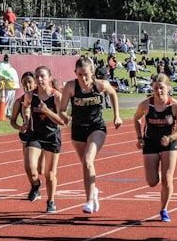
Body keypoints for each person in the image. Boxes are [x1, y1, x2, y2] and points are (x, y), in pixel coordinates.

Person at [58, 57, 122, 214]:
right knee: (86, 165)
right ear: (75, 73)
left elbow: (113, 94)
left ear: (92, 73)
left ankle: (89, 201)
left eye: (86, 74)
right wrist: (64, 116)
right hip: (78, 129)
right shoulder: (71, 87)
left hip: (97, 127)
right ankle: (94, 191)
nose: (83, 78)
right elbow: (61, 109)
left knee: (88, 160)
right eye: (80, 75)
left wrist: (117, 116)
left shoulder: (100, 85)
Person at [133, 73, 177, 222]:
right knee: (152, 181)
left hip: (168, 143)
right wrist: (139, 137)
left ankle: (164, 209)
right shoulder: (145, 105)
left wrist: (170, 138)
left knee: (167, 179)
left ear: (168, 88)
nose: (159, 91)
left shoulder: (175, 106)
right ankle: (160, 177)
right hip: (150, 142)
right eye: (156, 88)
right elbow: (136, 118)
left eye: (162, 88)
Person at [14, 67, 63, 213]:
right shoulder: (30, 95)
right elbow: (26, 107)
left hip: (52, 136)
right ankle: (35, 185)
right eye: (37, 77)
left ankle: (51, 201)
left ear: (49, 78)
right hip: (35, 135)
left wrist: (47, 111)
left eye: (42, 76)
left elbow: (62, 121)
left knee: (49, 174)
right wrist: (27, 119)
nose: (39, 80)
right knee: (29, 167)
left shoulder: (57, 97)